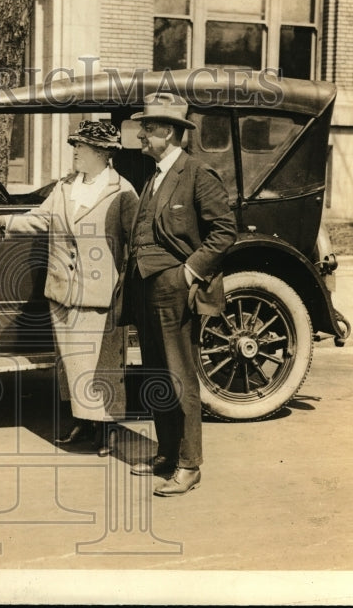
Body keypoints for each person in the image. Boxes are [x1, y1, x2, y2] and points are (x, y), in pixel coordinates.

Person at [0, 121, 138, 456]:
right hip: (62, 291)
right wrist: (3, 221)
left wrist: (123, 290)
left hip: (98, 294)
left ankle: (107, 429)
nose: (74, 151)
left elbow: (135, 244)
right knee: (72, 362)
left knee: (101, 365)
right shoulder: (65, 186)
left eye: (80, 147)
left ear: (101, 153)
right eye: (75, 145)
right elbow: (42, 219)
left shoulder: (123, 191)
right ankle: (83, 422)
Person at [126, 93, 237, 497]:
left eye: (149, 128)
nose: (141, 134)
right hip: (145, 287)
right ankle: (168, 454)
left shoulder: (196, 173)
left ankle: (190, 465)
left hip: (173, 287)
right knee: (157, 374)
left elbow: (224, 232)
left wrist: (189, 272)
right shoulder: (155, 174)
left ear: (170, 133)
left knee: (180, 376)